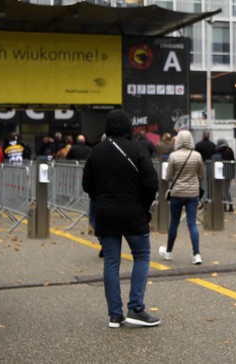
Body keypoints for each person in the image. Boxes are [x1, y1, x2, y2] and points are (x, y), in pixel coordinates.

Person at [82, 109, 161, 328]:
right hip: (133, 212)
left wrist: (101, 198)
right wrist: (144, 207)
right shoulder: (137, 150)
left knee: (111, 262)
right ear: (128, 127)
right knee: (142, 256)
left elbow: (87, 185)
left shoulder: (96, 152)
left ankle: (114, 315)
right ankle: (136, 307)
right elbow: (151, 184)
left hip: (106, 214)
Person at [159, 130, 205, 265]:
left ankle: (168, 252)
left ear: (178, 140)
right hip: (192, 194)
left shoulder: (173, 156)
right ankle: (196, 254)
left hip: (177, 193)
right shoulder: (197, 156)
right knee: (192, 223)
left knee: (174, 222)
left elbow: (168, 177)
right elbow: (201, 174)